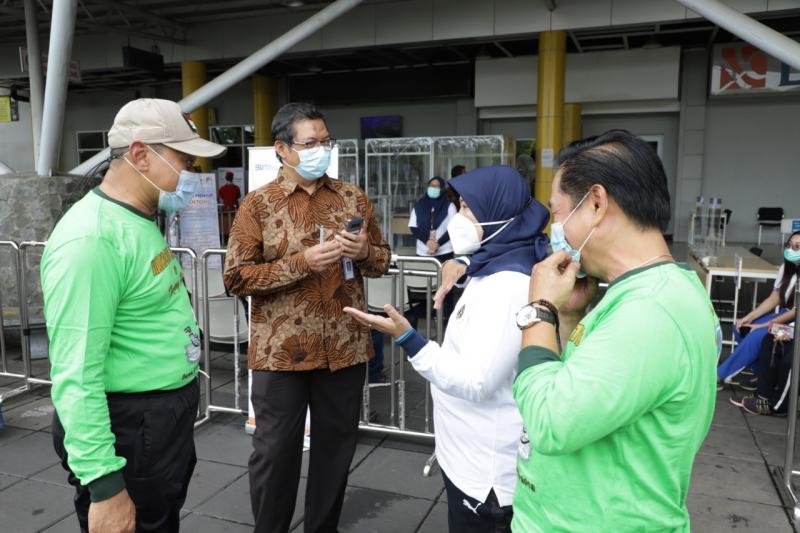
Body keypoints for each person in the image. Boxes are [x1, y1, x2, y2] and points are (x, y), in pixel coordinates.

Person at [511, 130, 719, 531]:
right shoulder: (646, 292)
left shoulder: (650, 311)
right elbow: (585, 387)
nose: (556, 230)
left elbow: (552, 422)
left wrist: (538, 310)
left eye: (558, 214)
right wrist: (569, 317)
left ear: (596, 203)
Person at [41, 98, 227, 533]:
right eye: (185, 160)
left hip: (160, 420)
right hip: (130, 427)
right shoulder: (92, 240)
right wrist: (105, 485)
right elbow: (76, 375)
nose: (193, 176)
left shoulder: (141, 217)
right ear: (141, 154)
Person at [344, 166, 550, 533]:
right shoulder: (503, 260)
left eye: (469, 208)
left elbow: (476, 381)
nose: (460, 217)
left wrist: (410, 339)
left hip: (486, 480)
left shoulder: (508, 287)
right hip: (470, 460)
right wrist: (463, 262)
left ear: (497, 215)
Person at [223, 102, 390, 533]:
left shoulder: (353, 197)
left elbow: (382, 261)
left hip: (346, 346)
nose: (322, 150)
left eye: (326, 141)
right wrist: (302, 263)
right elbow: (236, 277)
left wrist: (365, 252)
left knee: (336, 451)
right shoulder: (257, 205)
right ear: (282, 149)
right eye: (310, 143)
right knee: (275, 453)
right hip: (282, 354)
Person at [718, 231, 800, 389]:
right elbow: (775, 297)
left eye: (797, 247)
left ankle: (720, 374)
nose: (791, 250)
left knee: (756, 335)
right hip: (784, 315)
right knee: (740, 327)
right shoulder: (786, 267)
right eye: (789, 246)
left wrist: (763, 326)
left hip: (795, 325)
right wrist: (750, 317)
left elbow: (796, 312)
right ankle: (763, 375)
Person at [408, 176, 457, 262]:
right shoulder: (419, 205)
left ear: (442, 188)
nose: (433, 188)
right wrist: (427, 242)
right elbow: (413, 228)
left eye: (436, 186)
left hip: (444, 251)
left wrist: (438, 244)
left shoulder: (450, 206)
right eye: (431, 185)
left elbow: (453, 229)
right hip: (423, 251)